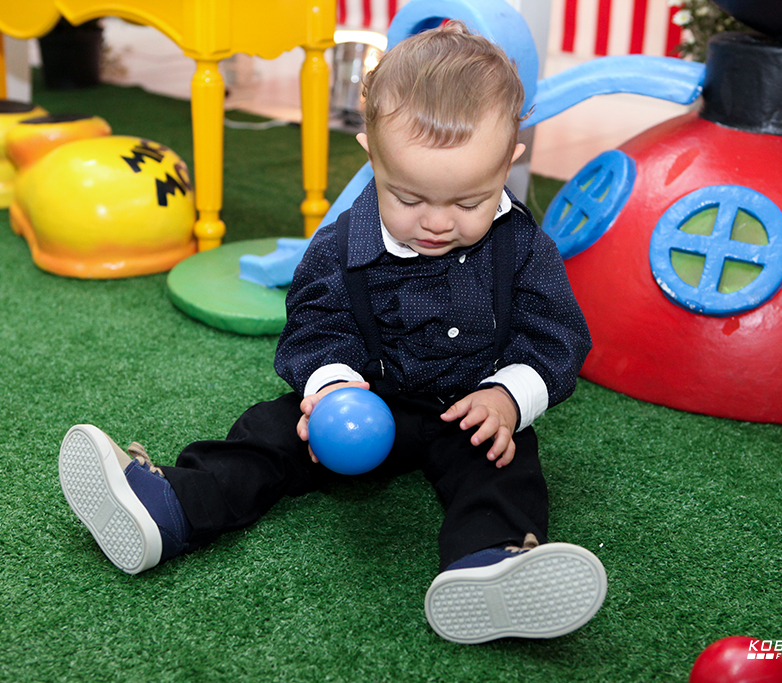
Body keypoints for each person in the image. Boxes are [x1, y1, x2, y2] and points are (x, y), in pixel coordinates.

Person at [58, 20, 606, 645]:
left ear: (509, 163)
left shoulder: (525, 249)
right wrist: (333, 389)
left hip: (469, 413)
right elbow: (315, 325)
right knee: (267, 432)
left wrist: (510, 397)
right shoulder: (343, 243)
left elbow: (557, 337)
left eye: (467, 204)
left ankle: (490, 565)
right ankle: (172, 507)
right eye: (409, 196)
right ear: (370, 149)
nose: (435, 223)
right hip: (364, 400)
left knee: (505, 469)